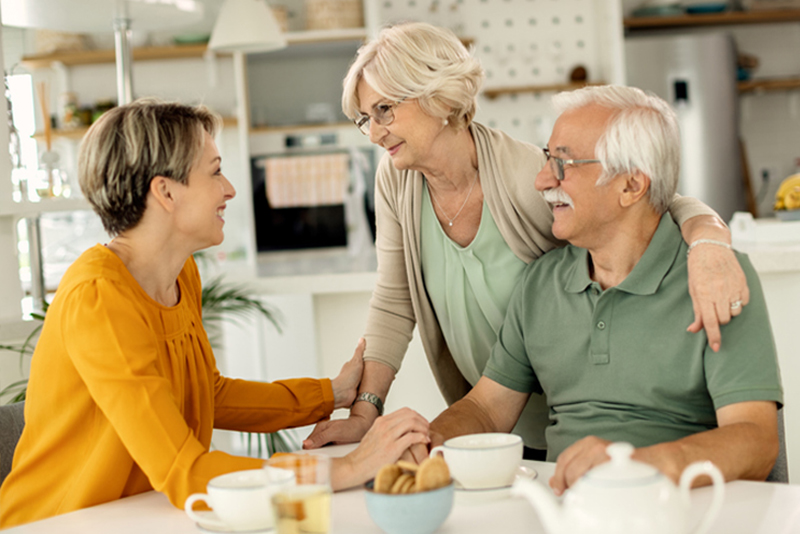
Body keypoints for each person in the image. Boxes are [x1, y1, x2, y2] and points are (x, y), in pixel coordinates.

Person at [303, 22, 751, 459]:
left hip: (569, 420)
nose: (375, 132)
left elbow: (650, 199)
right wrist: (367, 411)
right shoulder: (396, 180)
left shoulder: (523, 175)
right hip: (484, 415)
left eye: (385, 110)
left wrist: (710, 241)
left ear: (437, 95)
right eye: (365, 118)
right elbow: (394, 299)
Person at [0, 99, 429, 528]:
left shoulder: (181, 274)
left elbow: (210, 393)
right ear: (165, 192)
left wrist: (330, 394)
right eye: (215, 171)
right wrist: (347, 468)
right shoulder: (98, 298)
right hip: (57, 522)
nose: (229, 189)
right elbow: (184, 471)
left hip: (138, 515)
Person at [427, 85, 783, 493]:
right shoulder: (541, 282)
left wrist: (634, 467)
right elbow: (486, 409)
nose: (542, 180)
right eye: (547, 159)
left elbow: (755, 443)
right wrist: (426, 441)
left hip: (678, 510)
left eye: (563, 163)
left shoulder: (716, 278)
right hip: (566, 510)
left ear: (631, 186)